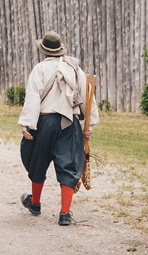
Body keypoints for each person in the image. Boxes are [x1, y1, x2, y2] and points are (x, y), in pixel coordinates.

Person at [18, 31, 99, 226]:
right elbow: (88, 96)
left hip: (44, 122)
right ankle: (64, 213)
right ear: (60, 49)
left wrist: (27, 124)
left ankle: (35, 203)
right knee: (68, 164)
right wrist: (89, 122)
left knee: (37, 160)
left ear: (44, 51)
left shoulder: (39, 69)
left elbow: (33, 98)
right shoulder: (75, 69)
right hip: (70, 123)